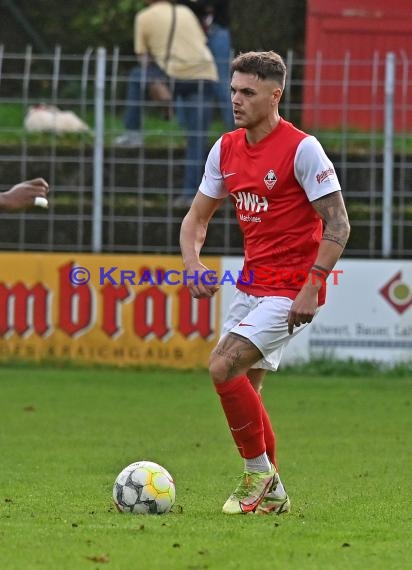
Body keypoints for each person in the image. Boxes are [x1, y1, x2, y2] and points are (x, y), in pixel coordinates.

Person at [179, 51, 350, 515]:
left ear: (275, 95)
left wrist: (313, 285)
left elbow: (338, 223)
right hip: (252, 285)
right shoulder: (226, 148)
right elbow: (197, 217)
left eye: (247, 92)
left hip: (292, 288)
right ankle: (272, 494)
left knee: (221, 366)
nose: (236, 99)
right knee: (246, 392)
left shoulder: (302, 148)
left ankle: (257, 474)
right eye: (233, 90)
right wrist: (192, 262)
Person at [114, 0, 218, 202]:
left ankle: (133, 132)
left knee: (137, 76)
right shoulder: (185, 11)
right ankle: (191, 195)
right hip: (205, 75)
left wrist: (155, 85)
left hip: (175, 75)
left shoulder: (144, 17)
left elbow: (143, 59)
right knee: (197, 139)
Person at [178, 0, 233, 129]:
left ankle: (234, 128)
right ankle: (187, 129)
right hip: (191, 33)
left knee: (221, 81)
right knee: (187, 77)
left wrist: (199, 5)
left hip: (217, 30)